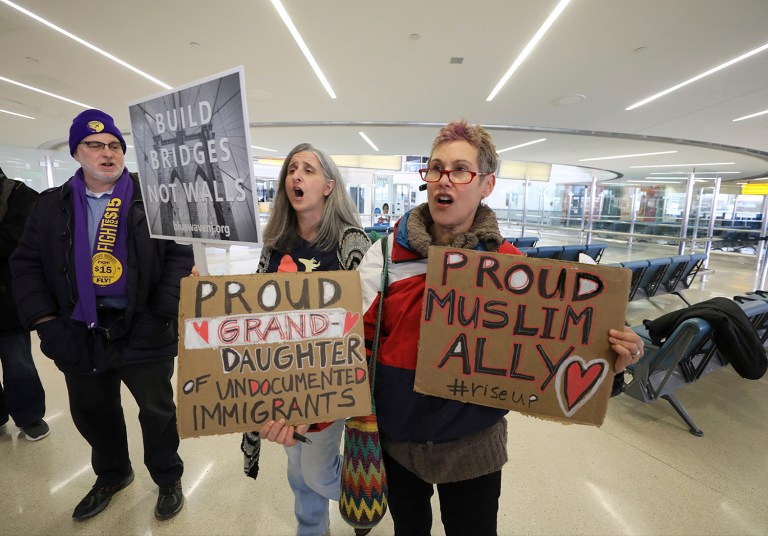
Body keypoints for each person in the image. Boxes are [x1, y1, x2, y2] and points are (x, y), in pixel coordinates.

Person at [356, 120, 645, 535]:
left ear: (486, 184)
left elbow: (558, 348)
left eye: (460, 170)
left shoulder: (511, 269)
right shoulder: (384, 257)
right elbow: (355, 346)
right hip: (396, 439)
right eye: (435, 168)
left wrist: (613, 357)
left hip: (474, 443)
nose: (444, 180)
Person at [10, 109, 194, 521]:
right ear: (77, 152)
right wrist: (46, 324)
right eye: (94, 145)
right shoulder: (49, 206)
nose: (106, 153)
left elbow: (180, 258)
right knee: (92, 411)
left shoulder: (154, 199)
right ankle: (112, 473)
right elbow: (25, 266)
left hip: (144, 327)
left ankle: (167, 477)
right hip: (79, 330)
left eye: (113, 145)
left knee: (157, 410)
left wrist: (162, 312)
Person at [241, 142, 371, 536]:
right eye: (292, 169)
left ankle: (365, 500)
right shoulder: (275, 242)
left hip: (328, 381)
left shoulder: (351, 243)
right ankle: (312, 530)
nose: (296, 175)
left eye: (308, 170)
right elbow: (254, 311)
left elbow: (368, 320)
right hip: (282, 378)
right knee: (297, 472)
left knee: (314, 472)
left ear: (329, 186)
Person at [0, 167, 49, 441]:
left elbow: (22, 240)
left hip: (9, 297)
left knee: (17, 360)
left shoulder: (20, 195)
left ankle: (29, 416)